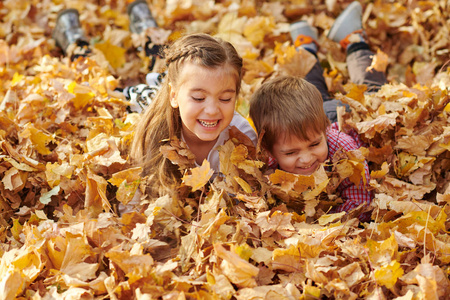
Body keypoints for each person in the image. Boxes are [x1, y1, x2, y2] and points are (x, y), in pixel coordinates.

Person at [249, 1, 386, 221]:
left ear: (323, 131)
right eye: (291, 153)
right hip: (312, 120)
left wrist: (324, 222)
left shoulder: (346, 151)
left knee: (374, 91)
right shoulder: (267, 154)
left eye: (314, 144)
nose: (306, 159)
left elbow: (360, 201)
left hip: (343, 115)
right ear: (269, 150)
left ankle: (354, 39)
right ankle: (305, 46)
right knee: (310, 91)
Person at [130, 32, 258, 196]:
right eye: (199, 98)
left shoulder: (243, 138)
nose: (212, 110)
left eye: (225, 99)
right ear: (174, 96)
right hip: (140, 100)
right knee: (150, 59)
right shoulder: (152, 133)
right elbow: (133, 197)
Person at [52, 0, 164, 113]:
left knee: (98, 86)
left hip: (139, 106)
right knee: (167, 64)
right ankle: (148, 37)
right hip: (168, 89)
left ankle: (75, 45)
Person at [289, 1, 387, 123]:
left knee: (374, 95)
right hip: (317, 120)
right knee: (374, 98)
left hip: (323, 121)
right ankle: (305, 48)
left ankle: (307, 48)